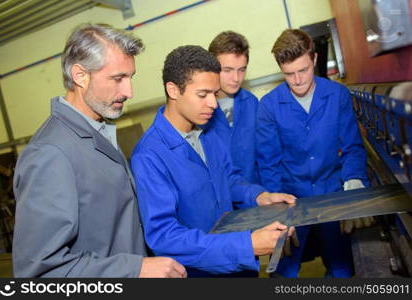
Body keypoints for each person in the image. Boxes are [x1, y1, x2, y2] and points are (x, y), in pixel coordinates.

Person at [12, 23, 186, 278]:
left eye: (130, 77)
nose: (129, 92)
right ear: (80, 76)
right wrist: (135, 269)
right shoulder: (50, 153)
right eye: (117, 79)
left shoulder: (98, 130)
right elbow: (38, 272)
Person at [130, 45, 296, 277]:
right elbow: (165, 236)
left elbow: (227, 178)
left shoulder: (207, 132)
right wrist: (245, 246)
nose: (213, 104)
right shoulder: (149, 156)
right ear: (173, 90)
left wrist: (258, 196)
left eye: (214, 94)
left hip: (238, 265)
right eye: (202, 94)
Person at [256, 29, 369, 278]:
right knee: (284, 272)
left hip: (333, 194)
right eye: (289, 74)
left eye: (303, 70)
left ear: (315, 60)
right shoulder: (269, 106)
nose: (297, 80)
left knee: (342, 268)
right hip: (292, 201)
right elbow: (269, 164)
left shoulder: (337, 95)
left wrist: (354, 184)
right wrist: (275, 212)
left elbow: (352, 147)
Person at [207, 31, 260, 183]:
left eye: (241, 70)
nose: (236, 79)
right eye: (227, 70)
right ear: (212, 67)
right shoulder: (200, 112)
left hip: (256, 197)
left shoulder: (252, 104)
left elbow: (265, 157)